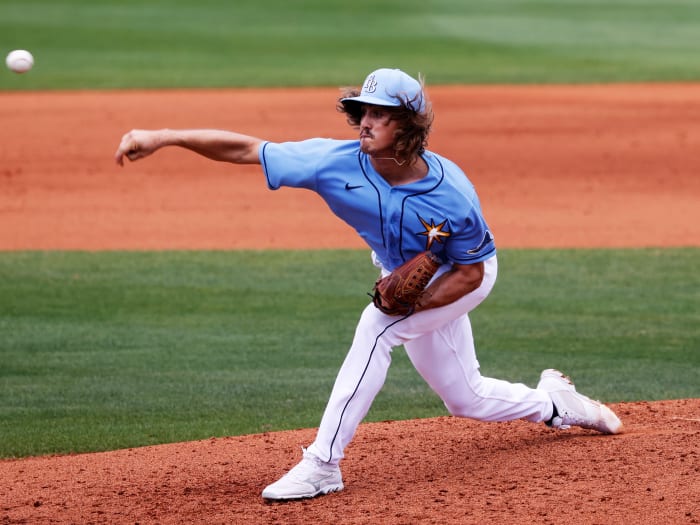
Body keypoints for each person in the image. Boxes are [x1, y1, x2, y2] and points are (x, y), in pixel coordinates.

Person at [115, 68, 623, 501]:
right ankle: (556, 403)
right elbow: (248, 147)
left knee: (378, 327)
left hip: (463, 275)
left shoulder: (452, 195)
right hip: (402, 276)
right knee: (466, 398)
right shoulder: (331, 163)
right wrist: (164, 136)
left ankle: (322, 465)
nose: (366, 122)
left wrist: (416, 303)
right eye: (363, 111)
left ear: (409, 125)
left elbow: (471, 272)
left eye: (380, 114)